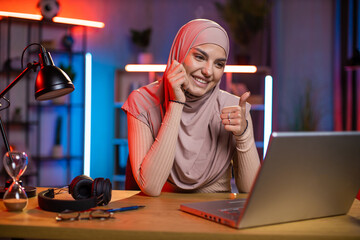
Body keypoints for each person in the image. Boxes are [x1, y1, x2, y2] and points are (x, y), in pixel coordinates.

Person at [122, 19, 260, 196]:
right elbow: (151, 187)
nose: (208, 71)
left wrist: (243, 135)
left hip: (214, 216)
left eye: (219, 64)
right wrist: (176, 104)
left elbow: (250, 191)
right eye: (200, 57)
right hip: (161, 217)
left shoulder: (233, 108)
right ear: (179, 54)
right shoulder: (142, 103)